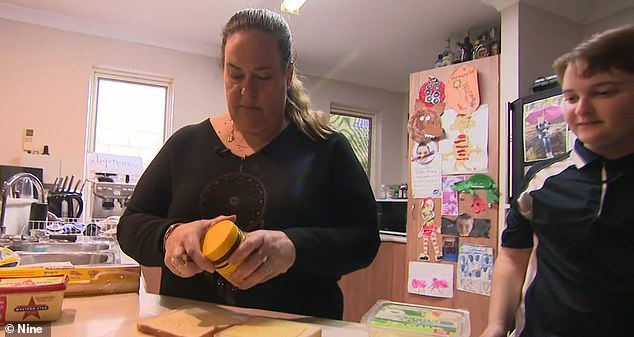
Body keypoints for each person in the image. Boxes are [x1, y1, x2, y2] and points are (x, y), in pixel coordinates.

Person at [116, 8, 380, 320]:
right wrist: (170, 236)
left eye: (263, 77)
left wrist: (293, 247)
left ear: (288, 74)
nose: (246, 91)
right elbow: (130, 225)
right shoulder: (185, 145)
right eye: (235, 74)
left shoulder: (327, 149)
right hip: (190, 326)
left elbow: (364, 240)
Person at [480, 24, 634, 337]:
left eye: (604, 92)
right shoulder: (541, 182)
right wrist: (496, 326)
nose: (583, 109)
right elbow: (511, 258)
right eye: (571, 97)